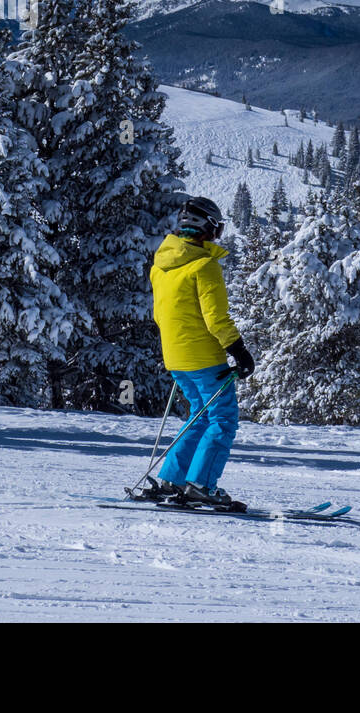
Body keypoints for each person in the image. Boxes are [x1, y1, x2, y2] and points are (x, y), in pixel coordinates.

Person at [148, 195, 256, 506]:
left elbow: (160, 314)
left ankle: (171, 479)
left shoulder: (161, 267)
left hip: (175, 356)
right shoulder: (204, 266)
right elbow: (216, 318)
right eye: (217, 228)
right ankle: (201, 485)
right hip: (204, 358)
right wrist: (239, 351)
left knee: (197, 416)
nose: (218, 235)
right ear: (207, 228)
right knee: (222, 418)